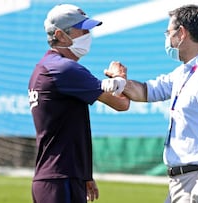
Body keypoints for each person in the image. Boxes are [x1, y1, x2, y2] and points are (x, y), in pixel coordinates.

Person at [104, 4, 198, 203]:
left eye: (169, 32)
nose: (168, 39)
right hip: (181, 181)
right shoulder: (185, 71)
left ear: (181, 33)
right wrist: (120, 82)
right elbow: (147, 91)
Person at [28, 4, 129, 203]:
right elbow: (121, 104)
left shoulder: (48, 66)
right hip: (59, 179)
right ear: (60, 34)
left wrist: (84, 174)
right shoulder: (64, 69)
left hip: (59, 176)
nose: (87, 34)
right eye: (81, 29)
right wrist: (120, 76)